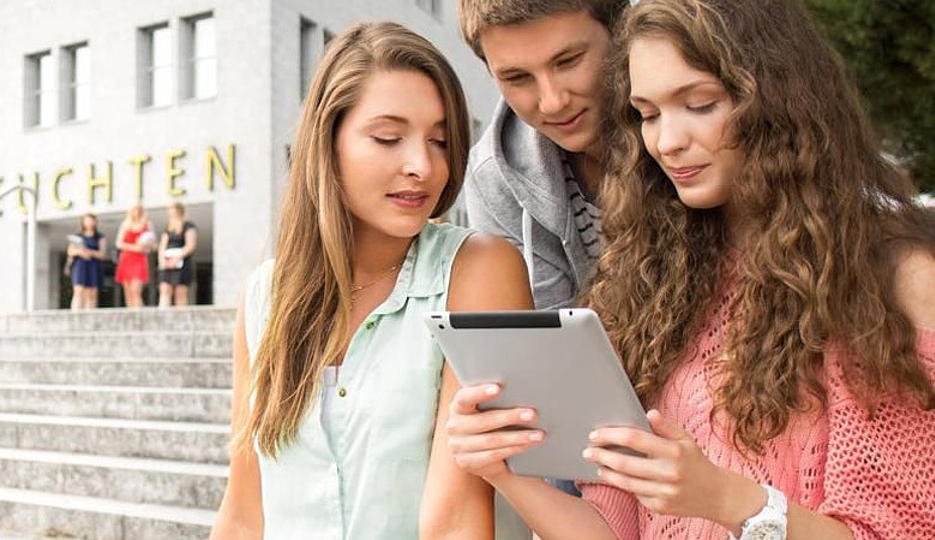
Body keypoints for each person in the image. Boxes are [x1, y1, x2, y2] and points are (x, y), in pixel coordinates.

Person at [445, 1, 935, 539]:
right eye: (648, 114)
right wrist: (502, 469)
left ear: (777, 99)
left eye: (699, 104)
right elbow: (611, 530)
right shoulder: (647, 282)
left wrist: (725, 498)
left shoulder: (902, 281)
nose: (667, 142)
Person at [209, 22, 531, 540]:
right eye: (388, 138)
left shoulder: (480, 269)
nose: (422, 166)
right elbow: (245, 511)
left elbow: (456, 521)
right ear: (328, 141)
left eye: (440, 141)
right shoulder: (264, 297)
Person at [458, 0, 628, 309]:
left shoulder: (691, 125)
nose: (552, 102)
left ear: (622, 30)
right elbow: (549, 336)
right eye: (517, 78)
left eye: (568, 61)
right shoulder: (493, 178)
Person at [158, 202, 198, 307]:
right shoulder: (168, 228)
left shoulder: (188, 226)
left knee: (180, 292)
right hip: (167, 263)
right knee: (165, 289)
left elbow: (190, 245)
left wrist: (177, 258)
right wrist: (163, 262)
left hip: (182, 262)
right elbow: (162, 246)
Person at [114, 204, 153, 308]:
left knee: (136, 291)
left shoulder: (147, 224)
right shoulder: (125, 224)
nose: (136, 211)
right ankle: (130, 317)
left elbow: (152, 245)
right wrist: (135, 248)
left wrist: (143, 247)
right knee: (128, 293)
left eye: (138, 209)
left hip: (139, 260)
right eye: (134, 209)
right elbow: (118, 243)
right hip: (126, 260)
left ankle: (139, 316)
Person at [67, 213, 106, 310]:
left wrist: (90, 252)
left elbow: (102, 254)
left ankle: (90, 315)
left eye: (91, 220)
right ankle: (75, 313)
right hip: (80, 265)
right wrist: (80, 252)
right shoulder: (77, 236)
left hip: (93, 265)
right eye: (87, 220)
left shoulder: (99, 237)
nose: (89, 222)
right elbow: (70, 251)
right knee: (78, 291)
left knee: (91, 293)